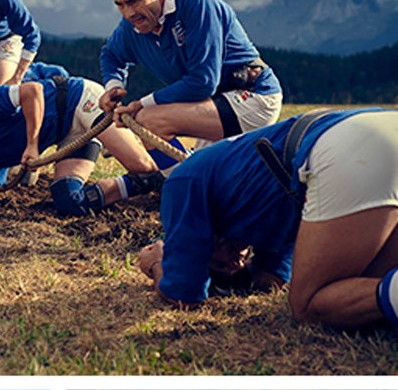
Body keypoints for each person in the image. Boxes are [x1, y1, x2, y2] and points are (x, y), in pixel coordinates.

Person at [136, 107, 398, 329]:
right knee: (365, 287)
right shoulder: (258, 199)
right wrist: (240, 278)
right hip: (378, 125)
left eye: (215, 262)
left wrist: (157, 263)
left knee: (309, 304)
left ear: (203, 238)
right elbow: (272, 279)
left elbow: (184, 296)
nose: (233, 264)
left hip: (350, 147)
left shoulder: (183, 182)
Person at [99, 0, 282, 168]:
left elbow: (203, 82)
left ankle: (177, 182)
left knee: (148, 120)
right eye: (120, 5)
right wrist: (114, 86)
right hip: (212, 104)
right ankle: (176, 181)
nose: (129, 13)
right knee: (208, 175)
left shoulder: (197, 2)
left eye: (134, 1)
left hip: (252, 97)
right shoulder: (132, 26)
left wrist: (140, 104)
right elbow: (111, 55)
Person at [0, 75, 162, 212]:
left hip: (78, 101)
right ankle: (153, 182)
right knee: (68, 201)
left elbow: (32, 91)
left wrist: (31, 145)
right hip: (68, 136)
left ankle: (174, 170)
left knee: (141, 165)